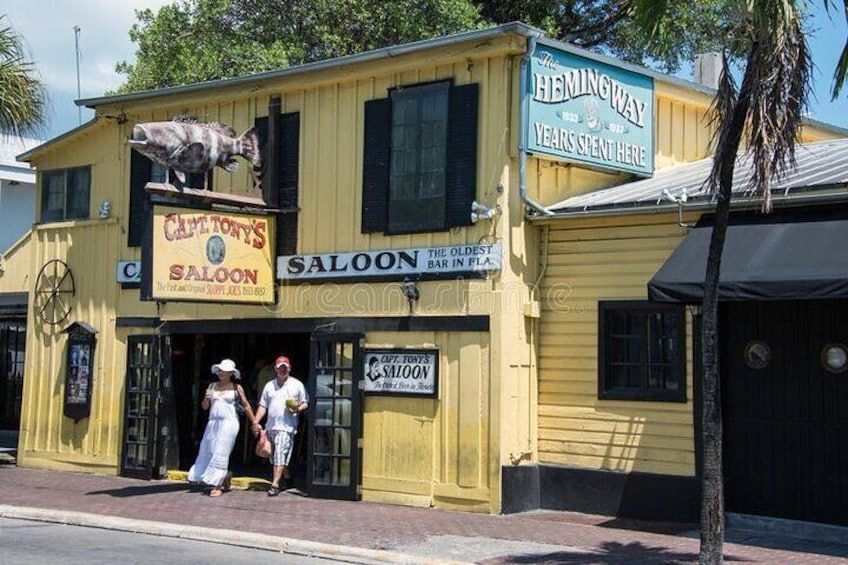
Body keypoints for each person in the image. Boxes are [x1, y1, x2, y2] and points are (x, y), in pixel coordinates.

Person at [188, 358, 257, 497]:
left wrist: (254, 422)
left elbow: (246, 405)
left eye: (224, 371)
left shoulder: (236, 387)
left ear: (231, 373)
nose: (220, 372)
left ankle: (217, 485)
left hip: (229, 422)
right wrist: (207, 399)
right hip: (213, 422)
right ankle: (225, 475)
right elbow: (204, 407)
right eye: (219, 370)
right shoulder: (212, 386)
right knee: (209, 450)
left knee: (221, 452)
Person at [251, 355, 309, 496]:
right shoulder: (269, 385)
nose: (282, 370)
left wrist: (297, 409)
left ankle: (275, 484)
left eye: (285, 368)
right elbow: (263, 405)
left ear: (289, 368)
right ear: (275, 369)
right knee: (276, 456)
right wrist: (255, 421)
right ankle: (288, 478)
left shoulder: (297, 384)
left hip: (286, 426)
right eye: (280, 368)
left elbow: (305, 402)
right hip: (271, 426)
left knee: (280, 455)